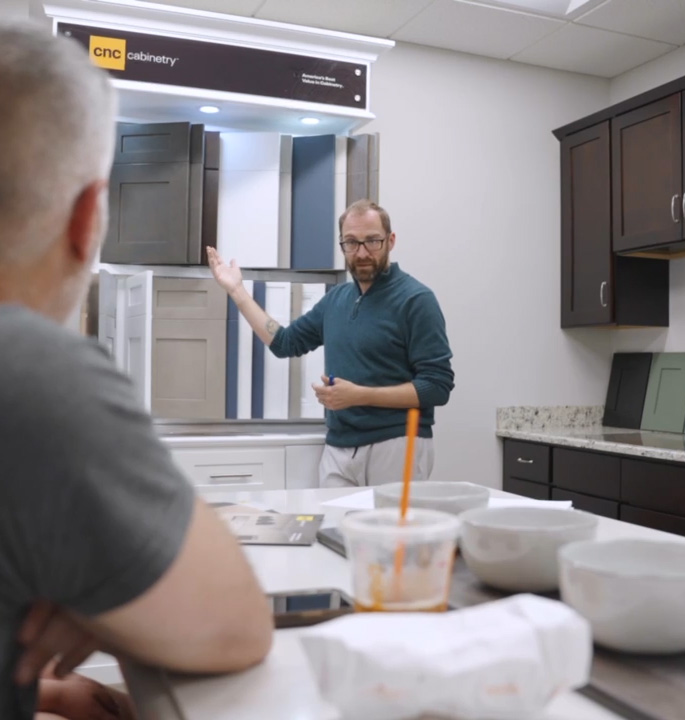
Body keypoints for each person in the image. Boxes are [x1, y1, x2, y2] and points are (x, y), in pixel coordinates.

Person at [0, 23, 273, 720]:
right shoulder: (35, 373)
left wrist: (44, 692)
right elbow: (236, 626)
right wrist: (107, 601)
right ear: (89, 218)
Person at [207, 199, 454, 487]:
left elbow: (437, 387)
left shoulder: (415, 300)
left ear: (391, 240)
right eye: (351, 242)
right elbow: (285, 342)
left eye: (372, 241)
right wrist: (237, 291)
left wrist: (359, 395)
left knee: (388, 534)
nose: (362, 252)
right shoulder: (336, 300)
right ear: (342, 245)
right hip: (339, 447)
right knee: (333, 530)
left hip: (397, 444)